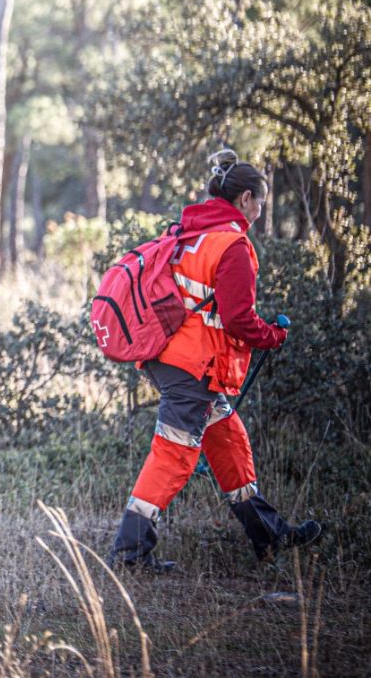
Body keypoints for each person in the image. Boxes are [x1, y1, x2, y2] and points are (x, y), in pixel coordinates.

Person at [110, 151, 322, 572]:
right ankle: (130, 556)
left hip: (168, 356)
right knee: (173, 456)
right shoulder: (232, 245)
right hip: (193, 365)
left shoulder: (193, 232)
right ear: (246, 199)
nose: (261, 212)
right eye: (260, 203)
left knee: (228, 442)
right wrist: (273, 336)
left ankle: (269, 534)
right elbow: (238, 319)